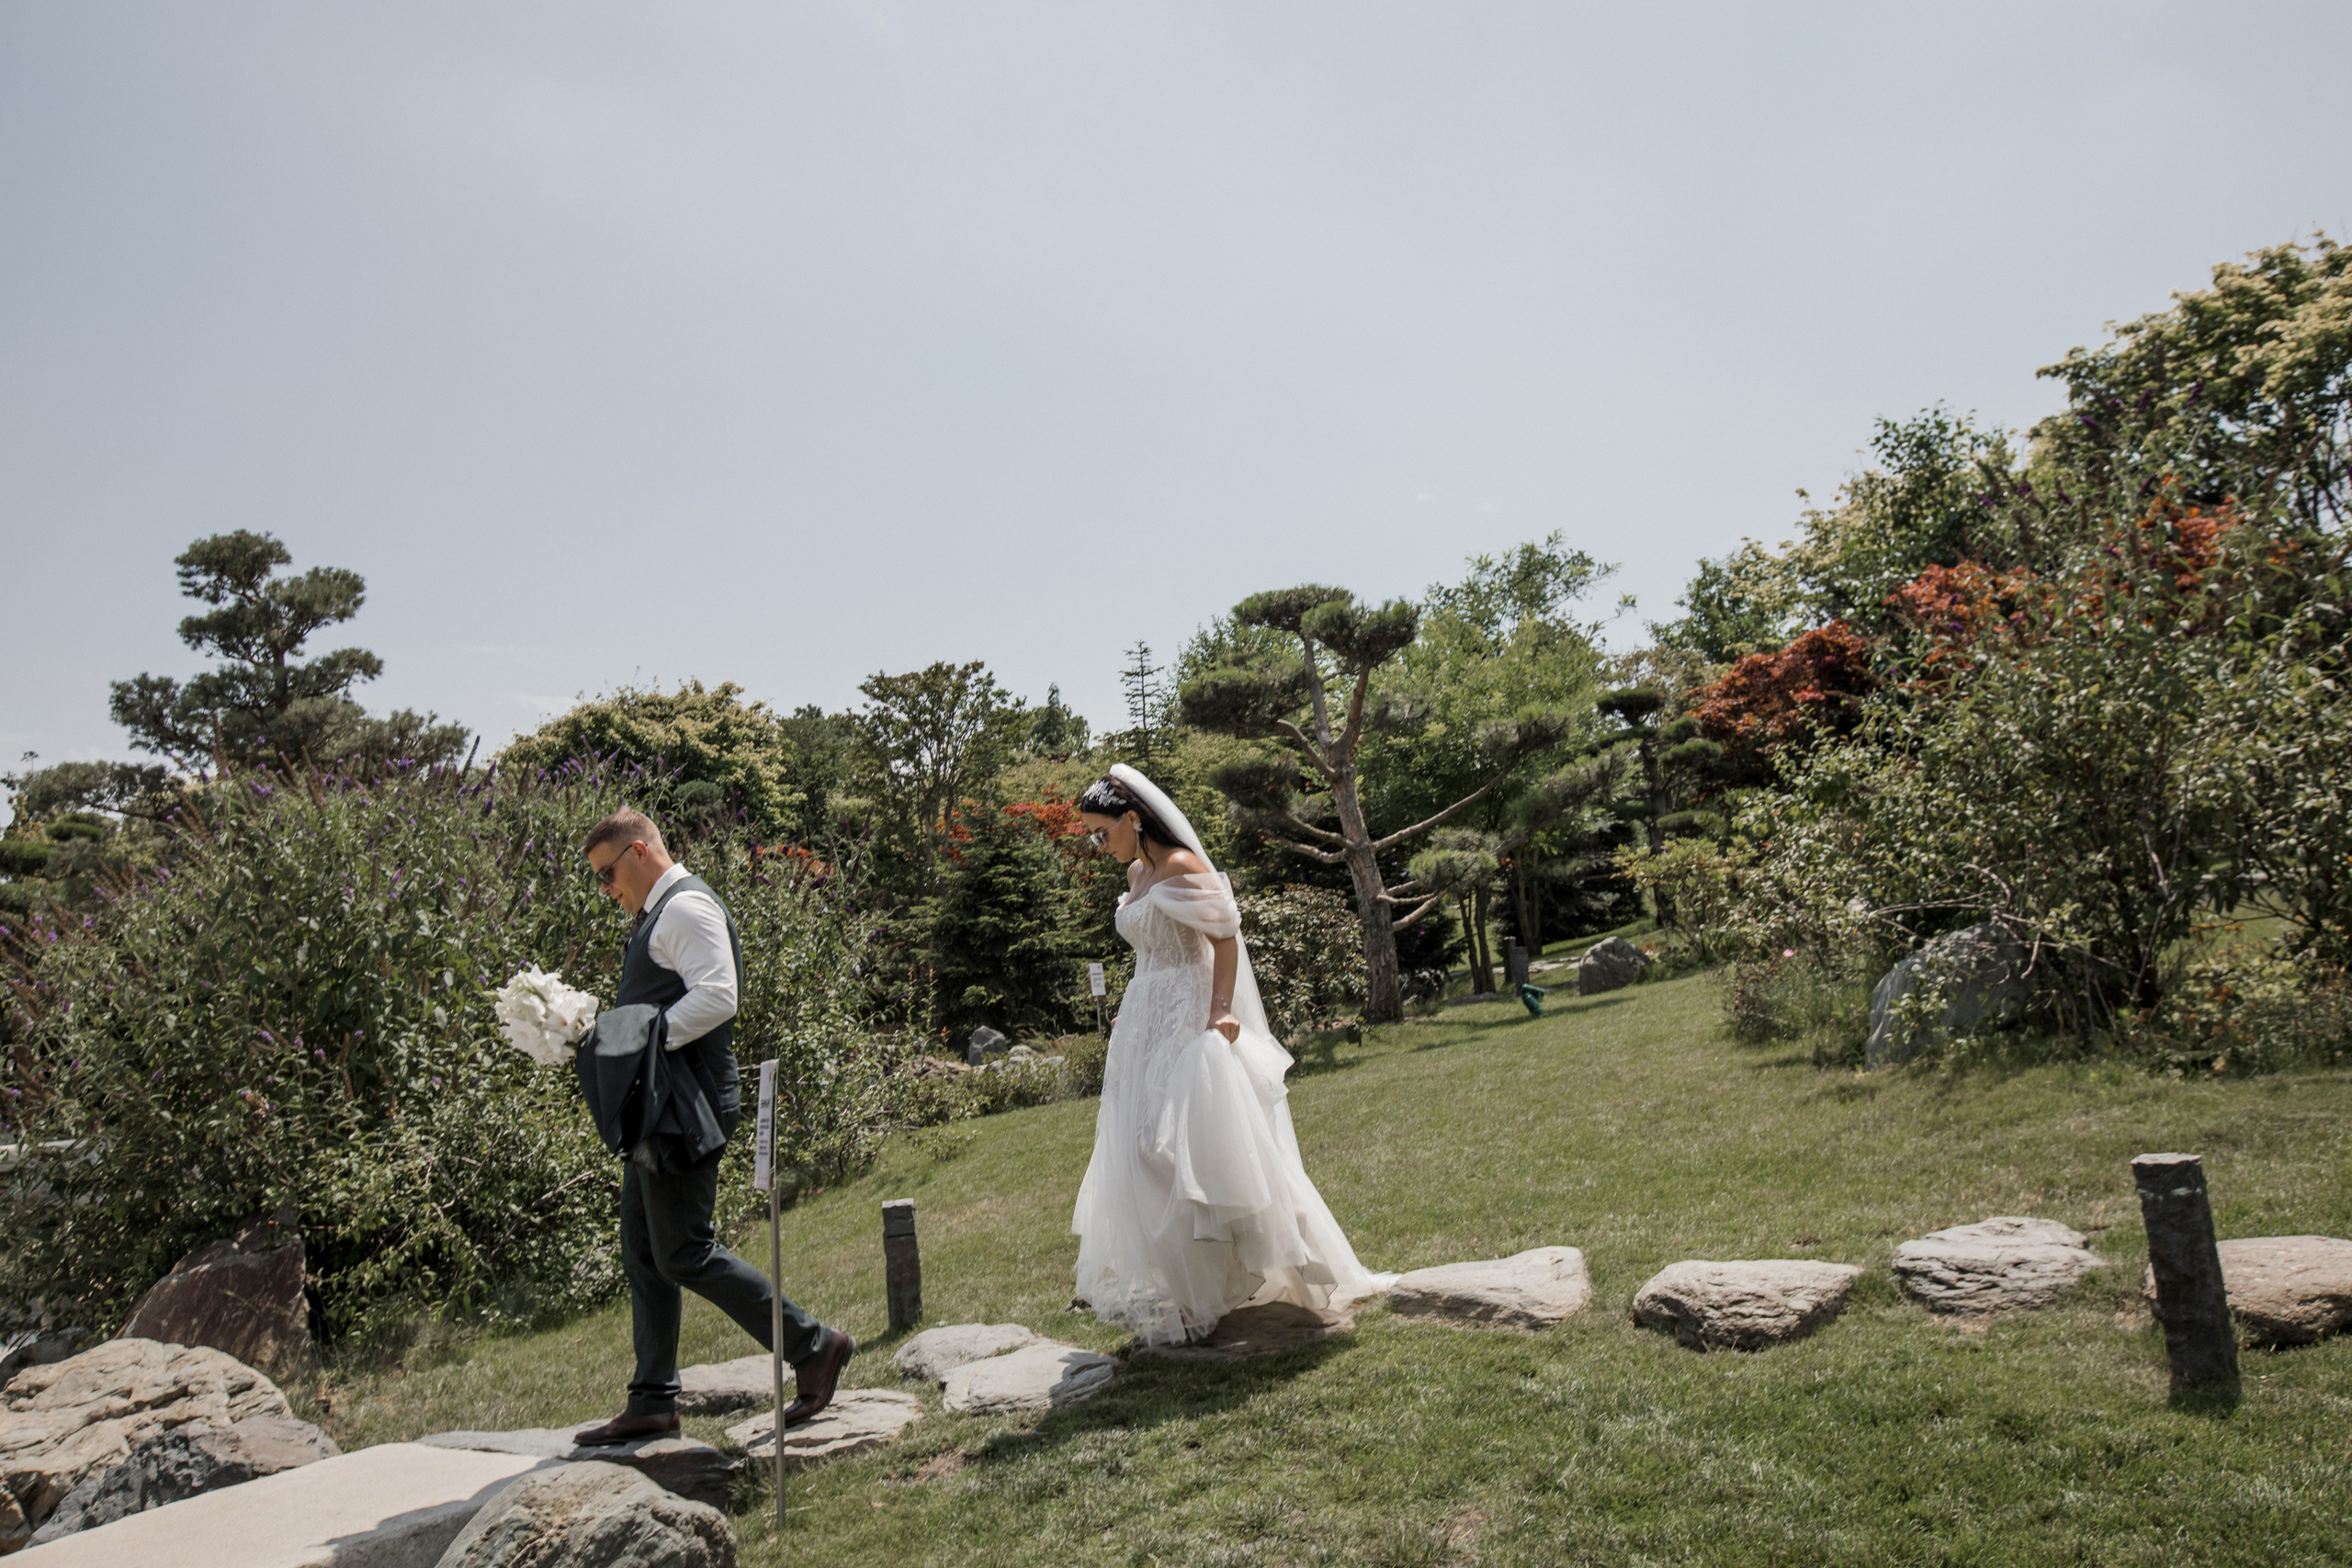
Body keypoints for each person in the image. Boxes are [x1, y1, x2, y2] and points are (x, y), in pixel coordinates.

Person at [1070, 766, 1389, 1345]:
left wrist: (1221, 1008)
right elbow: (1151, 948)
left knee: (1181, 1147)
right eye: (1092, 835)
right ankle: (1194, 1292)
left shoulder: (1182, 866)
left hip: (1190, 1014)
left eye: (1101, 831)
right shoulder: (1139, 873)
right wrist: (1133, 1006)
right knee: (1139, 1149)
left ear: (1133, 818)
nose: (1098, 844)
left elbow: (1223, 936)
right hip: (1147, 1020)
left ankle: (1235, 1275)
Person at [571, 808, 853, 1445]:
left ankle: (814, 1345)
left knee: (684, 1251)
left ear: (639, 852)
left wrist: (639, 1043)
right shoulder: (658, 914)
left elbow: (719, 995)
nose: (606, 889)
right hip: (661, 1107)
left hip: (686, 1110)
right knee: (644, 1250)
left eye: (607, 873)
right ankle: (652, 1399)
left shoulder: (686, 909)